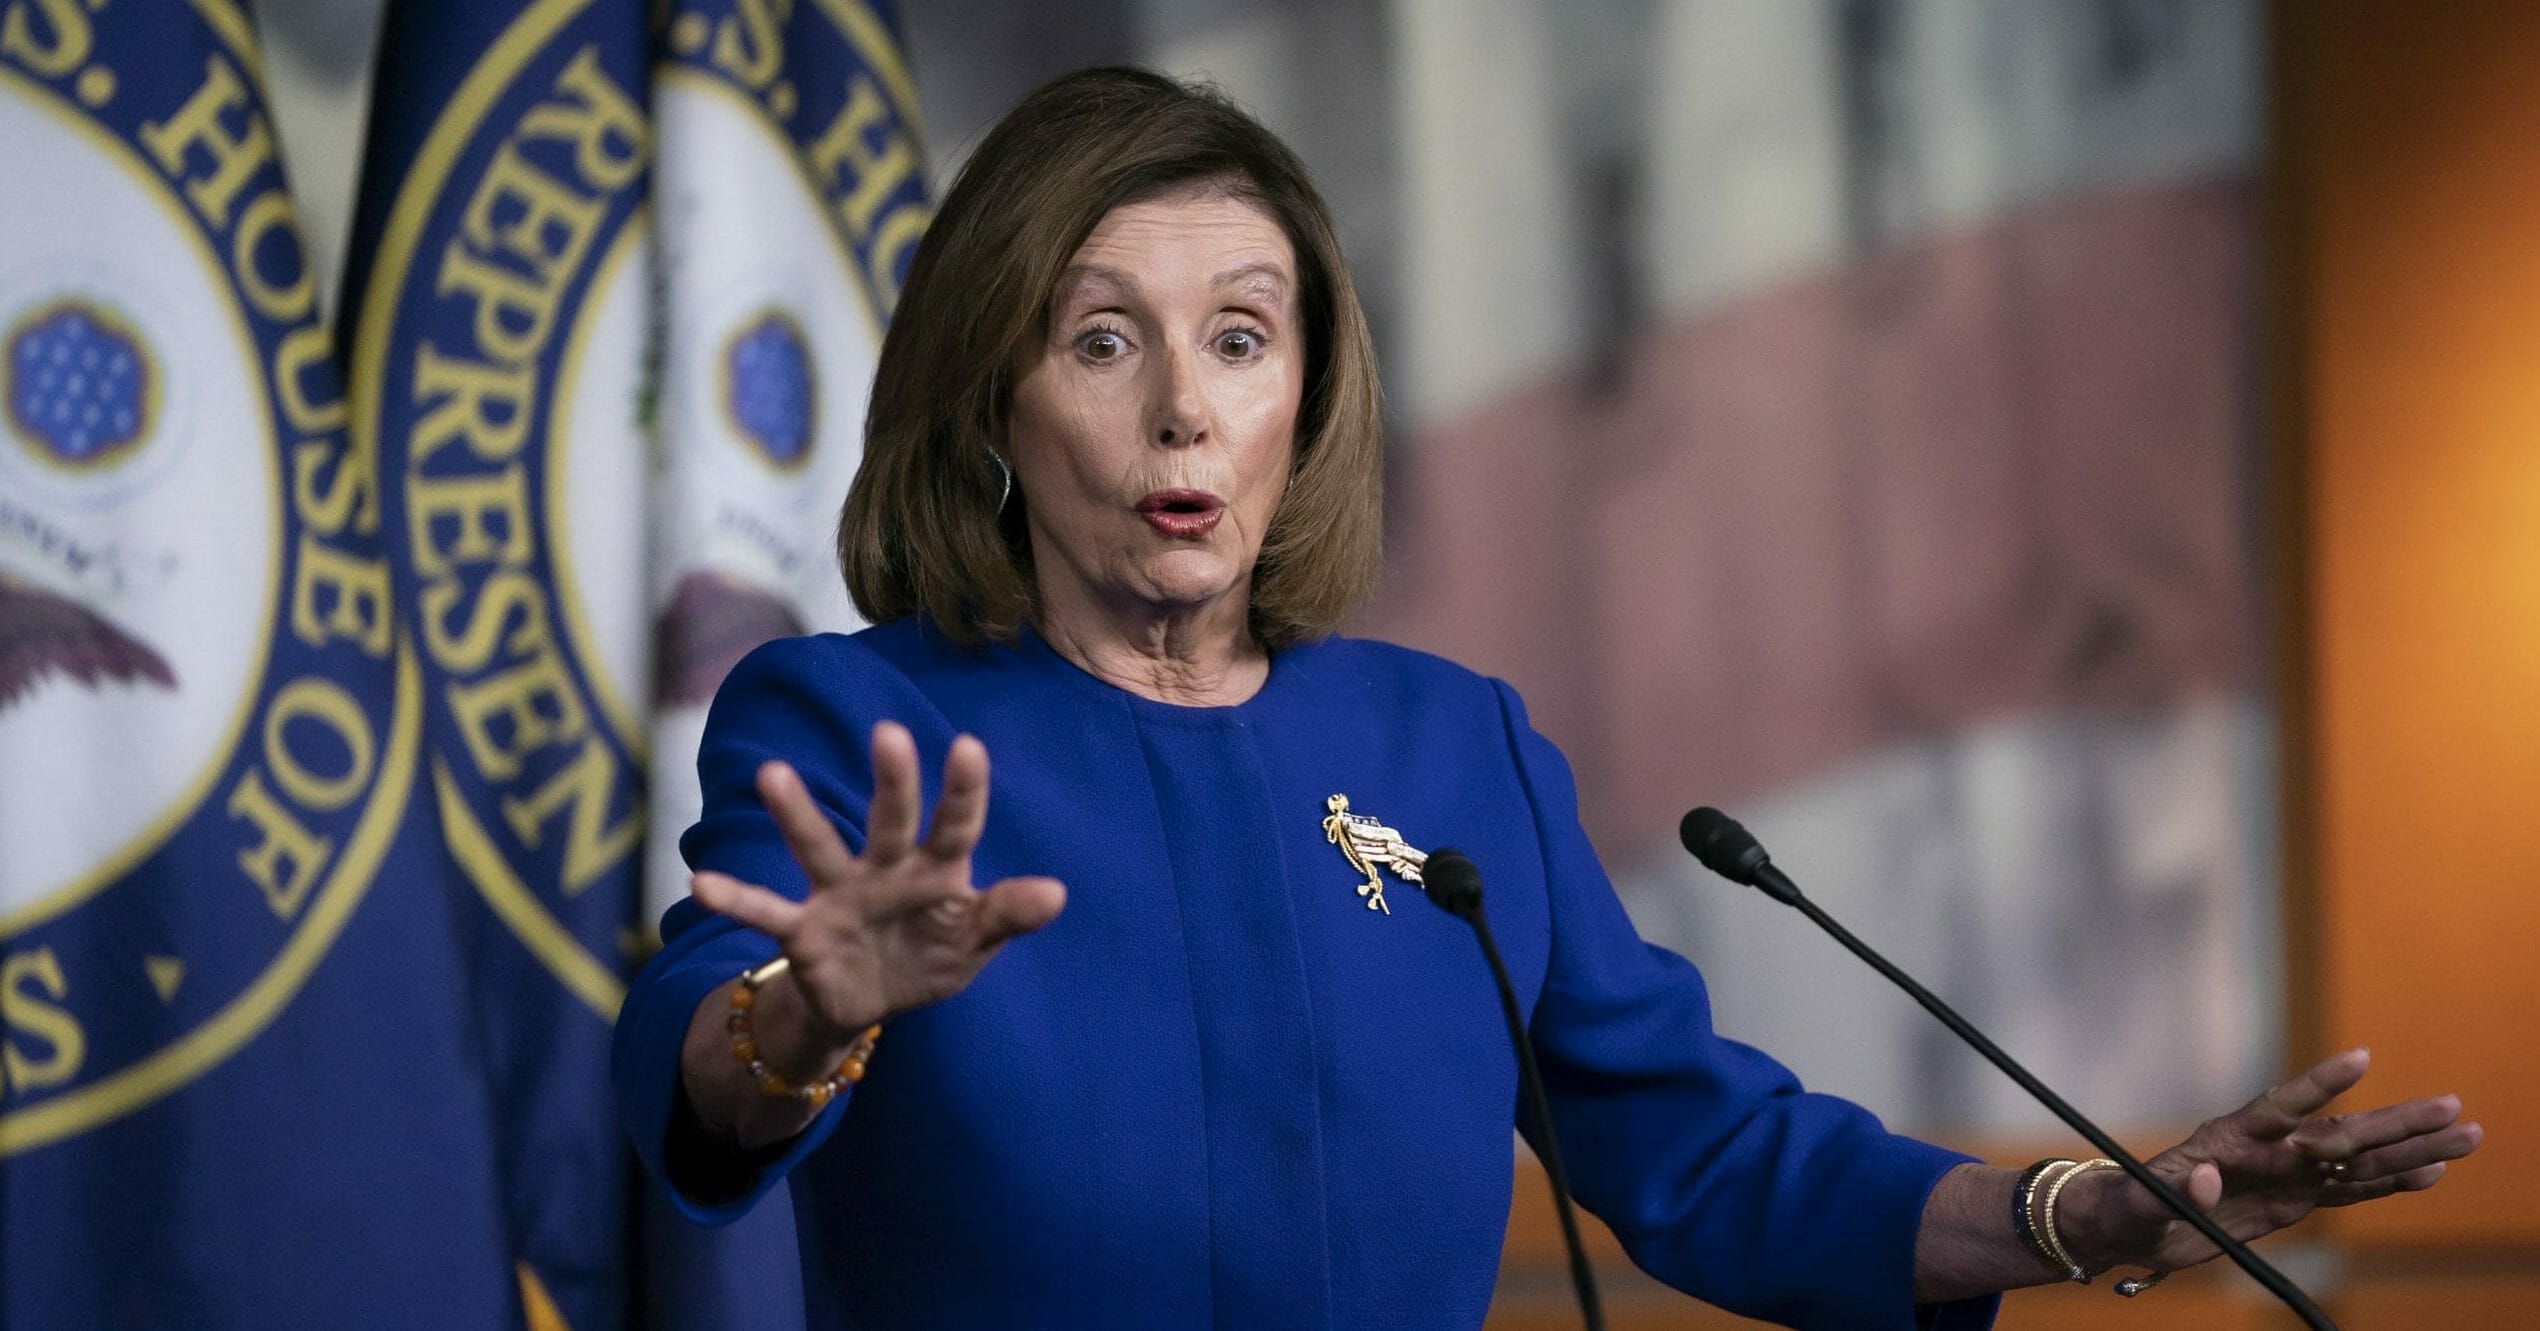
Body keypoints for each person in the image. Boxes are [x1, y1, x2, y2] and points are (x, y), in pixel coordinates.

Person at [612, 68, 2480, 1330]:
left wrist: (2092, 1214)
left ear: (1305, 398)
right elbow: (692, 1059)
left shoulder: (1448, 749)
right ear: (992, 397)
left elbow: (1701, 1151)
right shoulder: (855, 725)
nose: (1184, 406)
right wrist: (804, 1018)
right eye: (1104, 340)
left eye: (1241, 339)